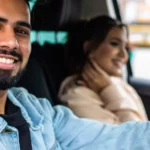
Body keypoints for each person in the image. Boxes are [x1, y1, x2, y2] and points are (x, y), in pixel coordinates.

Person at [0, 0, 150, 150]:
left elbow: (118, 139)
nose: (12, 43)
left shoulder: (37, 110)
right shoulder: (76, 93)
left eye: (21, 31)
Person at [59, 16, 147, 124]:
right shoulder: (76, 96)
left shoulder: (120, 85)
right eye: (114, 44)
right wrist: (108, 90)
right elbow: (136, 136)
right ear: (88, 48)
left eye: (126, 47)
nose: (124, 55)